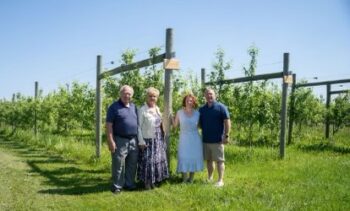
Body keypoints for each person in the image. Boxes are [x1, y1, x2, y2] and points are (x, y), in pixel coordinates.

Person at [106, 85, 139, 194]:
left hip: (134, 140)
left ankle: (129, 184)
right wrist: (111, 141)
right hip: (120, 139)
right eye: (125, 93)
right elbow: (109, 125)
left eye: (129, 93)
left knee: (132, 163)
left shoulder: (134, 107)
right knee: (118, 163)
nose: (127, 95)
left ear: (131, 95)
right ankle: (117, 186)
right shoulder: (114, 107)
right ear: (120, 94)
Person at [137, 87, 169, 189]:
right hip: (148, 140)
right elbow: (138, 127)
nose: (152, 98)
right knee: (147, 162)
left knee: (155, 162)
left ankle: (153, 182)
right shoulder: (142, 110)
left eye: (154, 96)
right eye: (150, 96)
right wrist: (141, 141)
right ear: (147, 97)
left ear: (157, 98)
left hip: (158, 139)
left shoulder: (157, 109)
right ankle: (147, 183)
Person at [199, 87, 231, 187]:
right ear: (204, 96)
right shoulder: (202, 109)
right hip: (206, 140)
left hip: (218, 140)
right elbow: (200, 124)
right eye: (207, 94)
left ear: (215, 95)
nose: (209, 96)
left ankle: (220, 180)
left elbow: (227, 121)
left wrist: (226, 135)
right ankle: (210, 177)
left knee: (220, 160)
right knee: (209, 160)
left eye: (211, 94)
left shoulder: (221, 107)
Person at [173, 93, 203, 183]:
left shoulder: (197, 113)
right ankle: (184, 179)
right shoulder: (179, 112)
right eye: (187, 100)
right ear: (184, 102)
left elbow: (199, 126)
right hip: (184, 138)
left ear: (193, 102)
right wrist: (171, 118)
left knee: (193, 157)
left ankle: (191, 179)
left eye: (191, 100)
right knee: (183, 156)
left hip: (195, 138)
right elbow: (175, 125)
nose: (189, 102)